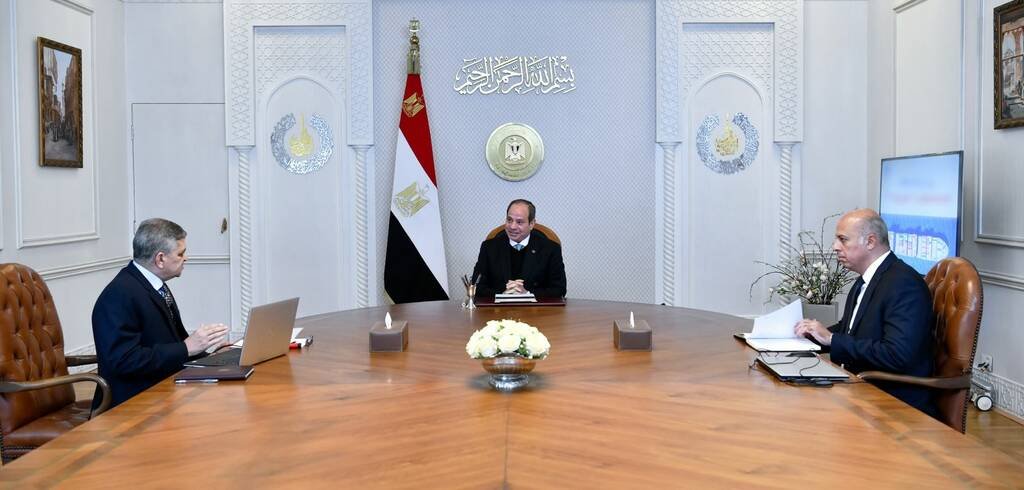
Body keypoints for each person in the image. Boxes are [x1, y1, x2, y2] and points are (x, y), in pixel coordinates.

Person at [795, 209, 936, 416]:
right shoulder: (867, 279)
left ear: (870, 241)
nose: (835, 247)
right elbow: (850, 329)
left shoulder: (904, 284)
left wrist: (832, 339)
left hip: (893, 405)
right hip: (861, 390)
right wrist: (807, 337)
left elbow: (897, 355)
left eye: (843, 239)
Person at [92, 218, 229, 408]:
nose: (186, 258)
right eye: (181, 253)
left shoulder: (154, 285)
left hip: (164, 390)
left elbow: (172, 344)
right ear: (160, 259)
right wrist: (187, 347)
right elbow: (124, 361)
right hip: (134, 405)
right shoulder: (118, 296)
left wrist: (211, 356)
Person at [472, 199, 567, 298]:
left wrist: (527, 294)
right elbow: (476, 286)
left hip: (535, 307)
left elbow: (559, 289)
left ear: (531, 224)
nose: (512, 226)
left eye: (519, 222)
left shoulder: (550, 249)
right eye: (509, 220)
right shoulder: (489, 247)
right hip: (499, 306)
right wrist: (503, 294)